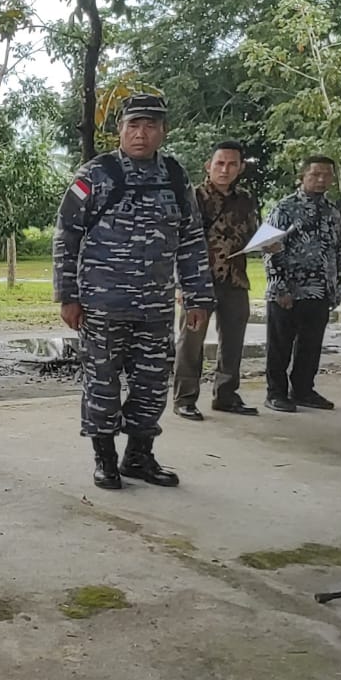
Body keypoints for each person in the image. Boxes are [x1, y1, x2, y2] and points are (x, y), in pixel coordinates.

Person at [52, 93, 215, 491]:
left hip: (155, 307)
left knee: (152, 385)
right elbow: (66, 235)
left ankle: (139, 457)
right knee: (102, 384)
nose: (141, 134)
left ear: (163, 131)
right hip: (102, 305)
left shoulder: (175, 177)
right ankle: (105, 459)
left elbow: (192, 240)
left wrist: (198, 296)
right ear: (120, 130)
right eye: (133, 125)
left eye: (150, 126)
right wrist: (68, 296)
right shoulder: (96, 174)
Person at [172, 141, 264, 419]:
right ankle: (185, 398)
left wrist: (266, 243)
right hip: (199, 280)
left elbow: (251, 233)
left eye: (232, 164)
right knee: (191, 342)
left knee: (233, 342)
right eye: (220, 163)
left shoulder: (245, 199)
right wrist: (181, 284)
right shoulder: (192, 197)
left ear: (241, 168)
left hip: (235, 280)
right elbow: (177, 241)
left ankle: (226, 395)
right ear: (208, 166)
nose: (225, 169)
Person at [262, 154, 341, 413]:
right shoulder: (284, 208)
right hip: (288, 290)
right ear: (302, 177)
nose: (321, 180)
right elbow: (269, 249)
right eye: (315, 174)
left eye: (327, 175)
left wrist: (338, 286)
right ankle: (276, 393)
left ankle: (303, 390)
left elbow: (336, 251)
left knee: (310, 345)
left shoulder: (332, 211)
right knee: (280, 345)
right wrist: (279, 287)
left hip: (319, 291)